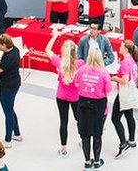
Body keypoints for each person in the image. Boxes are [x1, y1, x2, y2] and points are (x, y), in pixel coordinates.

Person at [46, 30, 82, 158]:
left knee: (63, 121)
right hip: (76, 97)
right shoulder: (80, 64)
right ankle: (83, 140)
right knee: (79, 119)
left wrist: (55, 35)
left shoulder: (59, 63)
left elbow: (47, 50)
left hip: (61, 96)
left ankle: (64, 148)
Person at [74, 48, 112, 169]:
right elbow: (108, 91)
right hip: (99, 106)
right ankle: (96, 161)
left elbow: (76, 84)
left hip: (83, 104)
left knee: (85, 134)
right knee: (97, 134)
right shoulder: (104, 72)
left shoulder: (81, 70)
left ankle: (86, 161)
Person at [0, 34, 22, 147]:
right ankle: (17, 133)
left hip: (7, 86)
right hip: (15, 83)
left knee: (8, 112)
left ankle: (8, 139)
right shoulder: (15, 50)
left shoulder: (8, 58)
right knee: (10, 109)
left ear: (4, 45)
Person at [110, 41, 138, 159]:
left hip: (124, 93)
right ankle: (131, 139)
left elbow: (125, 80)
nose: (119, 48)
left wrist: (116, 78)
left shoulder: (125, 63)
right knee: (129, 115)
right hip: (130, 92)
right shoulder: (132, 60)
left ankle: (123, 143)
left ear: (126, 49)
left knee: (115, 118)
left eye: (121, 46)